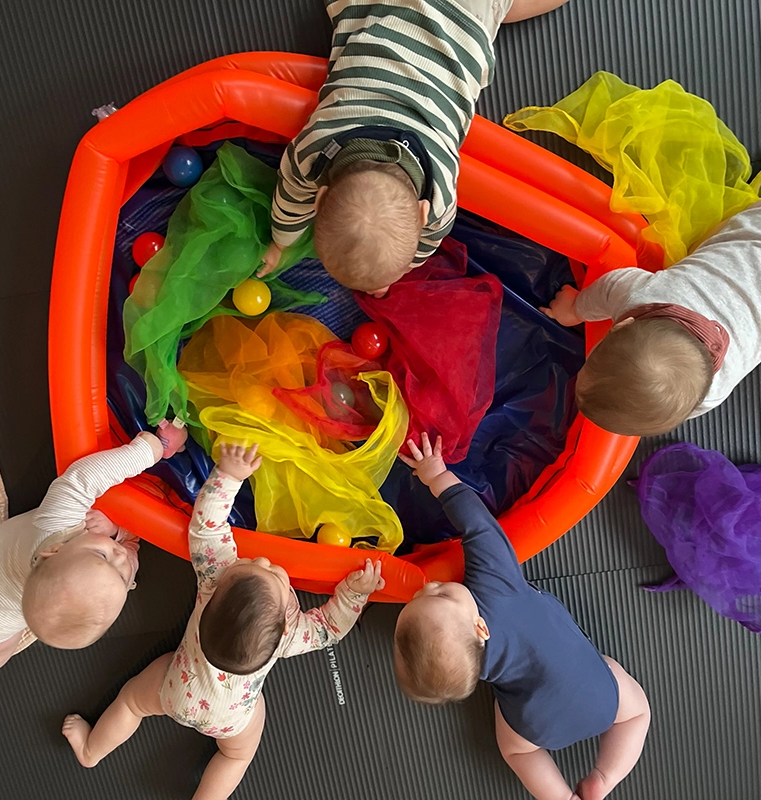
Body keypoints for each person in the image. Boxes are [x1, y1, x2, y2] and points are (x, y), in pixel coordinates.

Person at [62, 442, 384, 800]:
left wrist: (228, 477)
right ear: (284, 621)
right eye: (275, 574)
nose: (264, 561)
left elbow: (207, 527)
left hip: (177, 691)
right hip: (229, 718)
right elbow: (329, 628)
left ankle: (92, 750)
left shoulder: (216, 577)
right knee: (236, 755)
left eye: (263, 568)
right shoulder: (289, 634)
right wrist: (354, 595)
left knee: (131, 704)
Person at [393, 433, 650, 800]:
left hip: (537, 724)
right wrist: (437, 477)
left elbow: (444, 654)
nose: (430, 586)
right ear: (480, 627)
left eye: (419, 595)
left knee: (518, 751)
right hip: (597, 698)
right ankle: (603, 778)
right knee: (637, 713)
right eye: (442, 593)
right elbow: (478, 524)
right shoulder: (495, 585)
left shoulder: (466, 663)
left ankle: (567, 795)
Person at [258, 0, 569, 296]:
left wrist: (281, 244)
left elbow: (422, 247)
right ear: (321, 196)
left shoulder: (440, 196)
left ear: (424, 212)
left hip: (464, 23)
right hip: (396, 12)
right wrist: (280, 242)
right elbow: (290, 197)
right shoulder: (317, 145)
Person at [0, 408, 186, 676]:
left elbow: (81, 479)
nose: (120, 557)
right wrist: (117, 531)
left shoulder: (52, 527)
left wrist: (147, 451)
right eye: (122, 574)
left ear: (53, 549)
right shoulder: (109, 583)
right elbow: (131, 549)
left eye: (103, 556)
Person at [540, 201, 761, 436]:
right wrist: (574, 310)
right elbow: (608, 288)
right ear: (623, 324)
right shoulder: (646, 295)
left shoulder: (711, 393)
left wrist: (576, 310)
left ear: (624, 324)